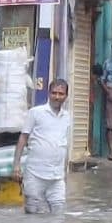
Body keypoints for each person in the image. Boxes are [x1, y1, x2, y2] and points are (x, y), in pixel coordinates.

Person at [16, 78, 74, 215]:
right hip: (35, 174)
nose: (57, 97)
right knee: (32, 213)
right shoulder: (35, 113)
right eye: (54, 93)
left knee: (58, 215)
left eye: (61, 94)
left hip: (57, 177)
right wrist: (16, 165)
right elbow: (23, 138)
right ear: (48, 93)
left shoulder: (67, 117)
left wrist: (64, 173)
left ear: (66, 96)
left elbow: (64, 144)